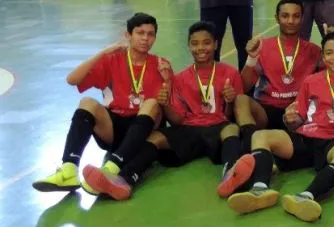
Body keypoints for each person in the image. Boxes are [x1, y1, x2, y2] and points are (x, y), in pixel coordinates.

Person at [81, 21, 246, 201]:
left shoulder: (230, 72)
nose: (201, 48)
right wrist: (166, 103)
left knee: (232, 129)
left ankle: (231, 175)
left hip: (218, 126)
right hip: (190, 128)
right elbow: (177, 121)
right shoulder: (181, 78)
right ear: (189, 46)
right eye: (195, 43)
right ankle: (124, 180)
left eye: (206, 43)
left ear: (215, 44)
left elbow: (230, 115)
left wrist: (230, 100)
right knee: (154, 137)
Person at [224, 31, 334, 222]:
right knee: (260, 136)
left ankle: (306, 197)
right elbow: (298, 119)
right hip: (306, 136)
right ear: (323, 56)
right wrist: (289, 119)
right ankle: (260, 190)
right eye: (329, 53)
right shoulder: (311, 81)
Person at [32, 13, 172, 193]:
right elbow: (72, 79)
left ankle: (111, 169)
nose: (145, 38)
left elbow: (169, 109)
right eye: (140, 33)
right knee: (87, 102)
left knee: (152, 103)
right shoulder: (112, 60)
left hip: (144, 132)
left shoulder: (161, 65)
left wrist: (167, 82)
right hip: (114, 129)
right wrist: (104, 52)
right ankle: (69, 170)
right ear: (128, 35)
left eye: (150, 34)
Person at [233, 0, 322, 153]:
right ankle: (250, 145)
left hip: (297, 112)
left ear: (302, 18)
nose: (290, 21)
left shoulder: (314, 51)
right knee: (241, 100)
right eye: (285, 16)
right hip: (267, 109)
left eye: (296, 16)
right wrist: (252, 58)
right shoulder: (263, 47)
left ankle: (264, 149)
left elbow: (328, 87)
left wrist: (332, 46)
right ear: (277, 18)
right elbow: (244, 87)